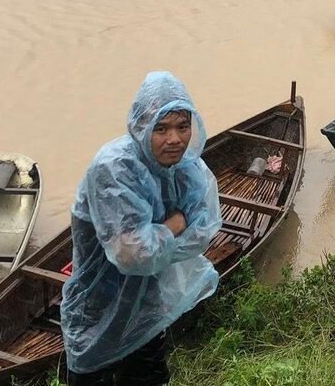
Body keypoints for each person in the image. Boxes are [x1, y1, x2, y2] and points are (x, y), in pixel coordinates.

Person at [61, 71, 222, 386]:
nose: (174, 139)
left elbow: (204, 227)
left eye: (182, 126)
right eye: (160, 128)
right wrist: (176, 222)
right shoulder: (114, 169)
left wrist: (159, 232)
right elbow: (134, 255)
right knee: (92, 375)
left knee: (148, 376)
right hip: (98, 300)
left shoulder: (187, 167)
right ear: (140, 127)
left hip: (147, 299)